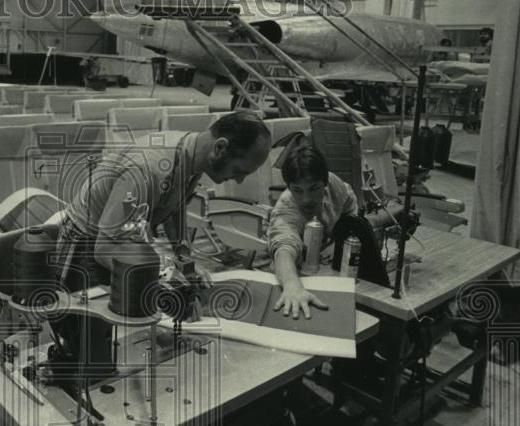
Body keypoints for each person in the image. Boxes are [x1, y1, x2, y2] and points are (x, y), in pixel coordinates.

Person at [50, 110, 272, 377]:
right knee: (89, 342)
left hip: (117, 235)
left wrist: (183, 257)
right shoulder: (149, 170)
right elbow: (103, 248)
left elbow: (174, 203)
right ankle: (76, 377)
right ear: (221, 148)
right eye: (239, 171)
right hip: (86, 244)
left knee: (130, 311)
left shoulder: (190, 155)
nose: (239, 180)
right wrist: (161, 280)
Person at [265, 144, 359, 318]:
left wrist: (339, 241)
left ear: (324, 182)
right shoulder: (285, 209)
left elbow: (350, 208)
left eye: (314, 189)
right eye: (297, 190)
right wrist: (292, 284)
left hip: (329, 267)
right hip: (296, 272)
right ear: (289, 186)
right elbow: (284, 249)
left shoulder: (334, 184)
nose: (306, 199)